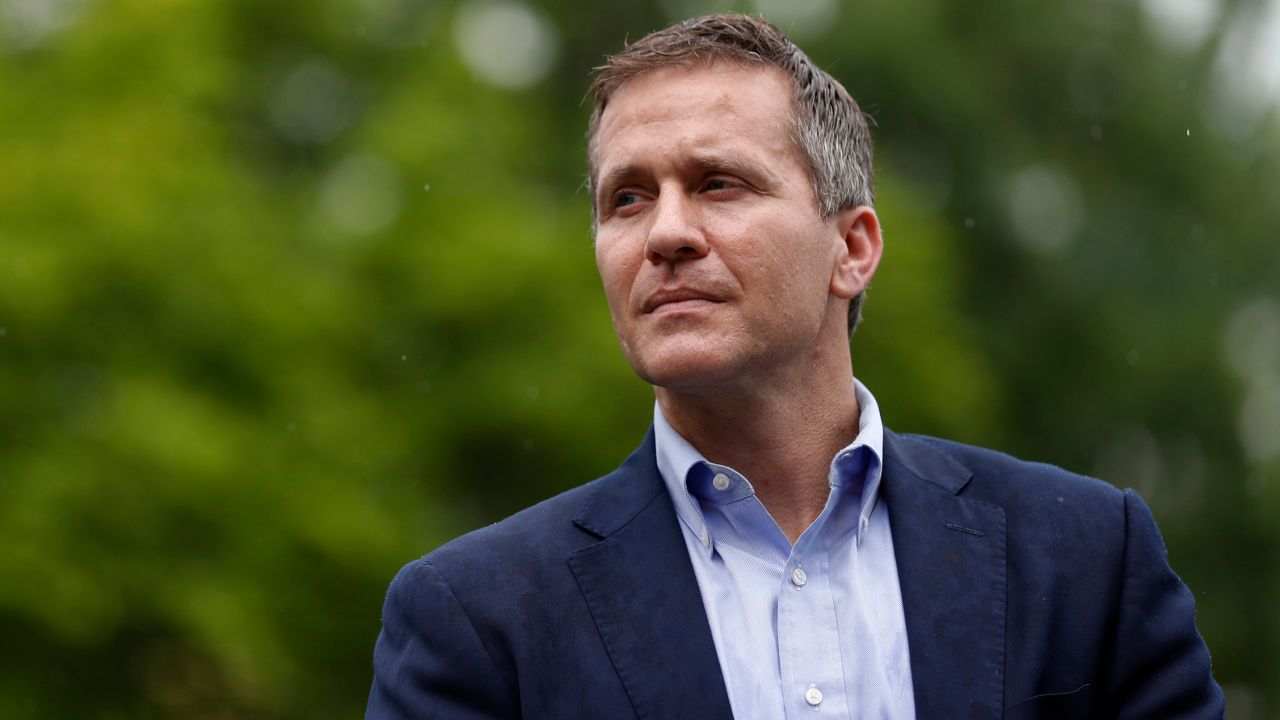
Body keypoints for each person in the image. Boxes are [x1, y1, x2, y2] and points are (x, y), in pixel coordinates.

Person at [366, 14, 1223, 720]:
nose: (664, 233)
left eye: (719, 184)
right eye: (626, 197)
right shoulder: (475, 619)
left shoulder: (1084, 558)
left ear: (851, 248)